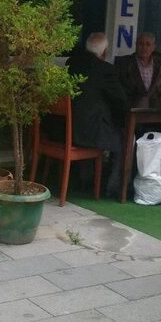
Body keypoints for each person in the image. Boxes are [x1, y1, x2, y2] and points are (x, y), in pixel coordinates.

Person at [68, 32, 129, 198]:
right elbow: (121, 100)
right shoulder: (105, 69)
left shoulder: (72, 63)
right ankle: (113, 187)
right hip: (89, 132)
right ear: (105, 52)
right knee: (124, 138)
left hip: (66, 129)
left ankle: (85, 178)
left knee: (97, 124)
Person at [116, 32, 161, 104]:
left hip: (154, 107)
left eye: (148, 44)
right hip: (130, 106)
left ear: (153, 47)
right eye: (141, 44)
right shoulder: (124, 63)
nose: (144, 47)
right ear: (136, 46)